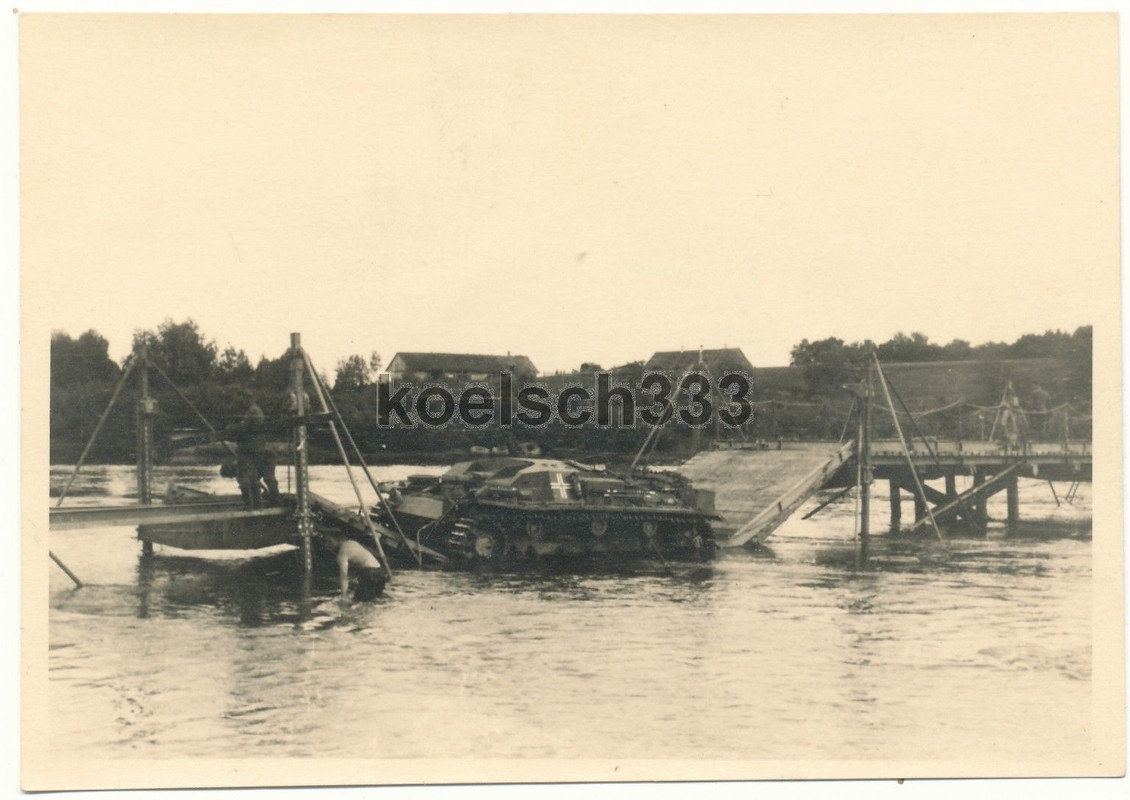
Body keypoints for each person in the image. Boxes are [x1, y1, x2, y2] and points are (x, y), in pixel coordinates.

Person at [233, 390, 279, 509]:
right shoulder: (252, 411)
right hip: (255, 448)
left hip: (252, 449)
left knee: (248, 477)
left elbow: (244, 428)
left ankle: (253, 504)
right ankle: (262, 503)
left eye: (244, 399)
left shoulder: (253, 411)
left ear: (249, 399)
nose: (242, 402)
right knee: (255, 478)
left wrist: (234, 429)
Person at [324, 531, 387, 602]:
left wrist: (343, 596)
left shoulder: (342, 553)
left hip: (370, 573)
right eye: (325, 541)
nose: (326, 544)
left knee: (357, 602)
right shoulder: (351, 542)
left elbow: (344, 577)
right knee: (374, 601)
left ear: (338, 540)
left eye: (329, 541)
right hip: (381, 572)